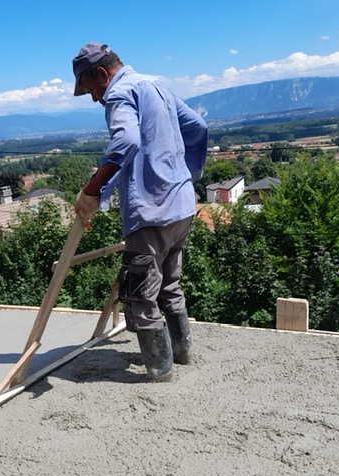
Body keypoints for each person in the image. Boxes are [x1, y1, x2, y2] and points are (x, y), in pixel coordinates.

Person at [72, 42, 209, 381]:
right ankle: (182, 353)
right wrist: (183, 174)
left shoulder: (119, 94)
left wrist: (92, 191)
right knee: (170, 284)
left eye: (91, 89)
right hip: (181, 207)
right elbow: (198, 128)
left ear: (103, 74)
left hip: (151, 212)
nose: (94, 99)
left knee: (139, 295)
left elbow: (126, 141)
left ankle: (161, 373)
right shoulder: (156, 84)